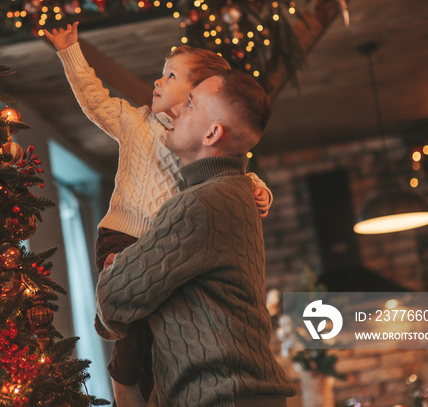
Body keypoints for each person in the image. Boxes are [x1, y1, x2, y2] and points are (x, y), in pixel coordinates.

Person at [45, 23, 274, 407]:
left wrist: (260, 188)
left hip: (159, 248)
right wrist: (70, 52)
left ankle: (138, 383)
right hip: (123, 233)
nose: (158, 80)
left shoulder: (210, 190)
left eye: (172, 76)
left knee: (150, 324)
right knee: (136, 324)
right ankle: (123, 377)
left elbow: (233, 173)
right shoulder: (138, 124)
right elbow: (95, 100)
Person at [96, 69, 297, 406]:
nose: (175, 110)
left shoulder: (199, 204)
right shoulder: (234, 193)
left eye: (189, 104)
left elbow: (114, 299)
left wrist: (118, 268)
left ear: (212, 133)